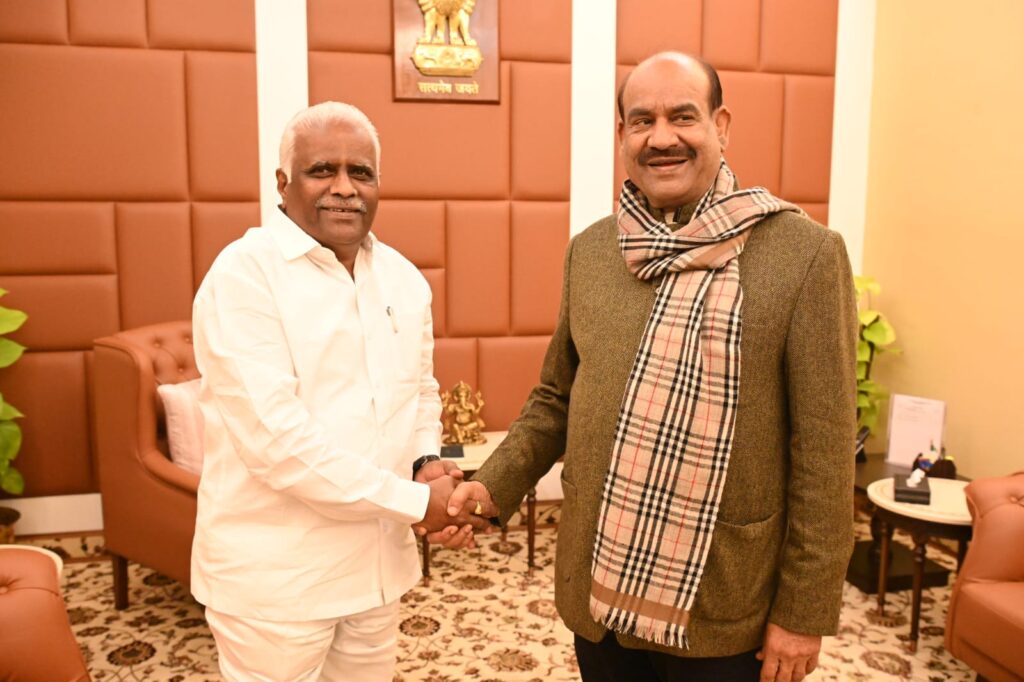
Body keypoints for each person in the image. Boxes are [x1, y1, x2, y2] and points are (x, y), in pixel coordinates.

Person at [451, 52, 858, 682]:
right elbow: (557, 397)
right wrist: (492, 485)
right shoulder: (592, 251)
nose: (661, 137)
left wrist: (803, 612)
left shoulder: (805, 254)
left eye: (683, 117)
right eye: (642, 121)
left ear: (721, 125)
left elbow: (825, 452)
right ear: (622, 135)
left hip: (724, 603)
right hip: (599, 585)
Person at [190, 101, 486, 681]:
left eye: (361, 172)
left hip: (378, 568)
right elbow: (279, 444)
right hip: (279, 581)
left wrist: (426, 463)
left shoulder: (403, 278)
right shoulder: (243, 275)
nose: (345, 188)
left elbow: (419, 391)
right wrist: (418, 503)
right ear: (283, 183)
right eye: (322, 170)